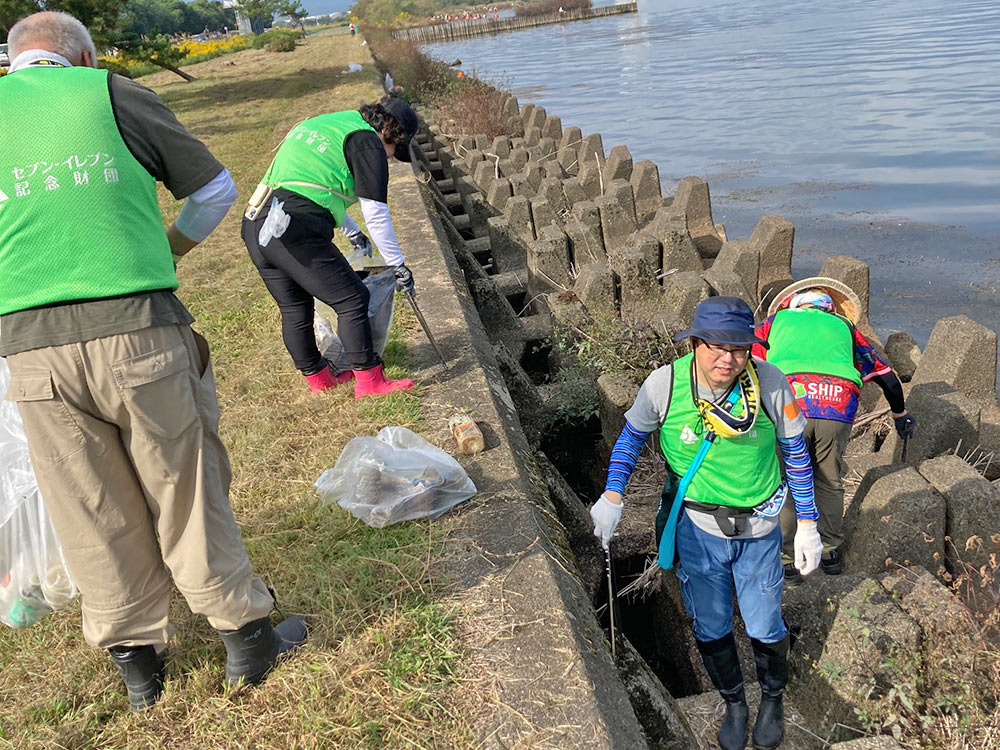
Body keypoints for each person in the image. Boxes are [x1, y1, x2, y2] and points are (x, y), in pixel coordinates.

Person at [0, 12, 306, 711]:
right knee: (184, 483)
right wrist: (168, 249)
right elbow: (214, 191)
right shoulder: (107, 91)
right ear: (81, 55)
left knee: (87, 503)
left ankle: (139, 669)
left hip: (29, 351)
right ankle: (245, 638)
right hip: (137, 328)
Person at [590, 297, 822, 750]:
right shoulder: (664, 384)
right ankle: (735, 702)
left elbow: (796, 452)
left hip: (758, 527)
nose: (726, 358)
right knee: (711, 627)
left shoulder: (770, 382)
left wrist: (809, 522)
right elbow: (631, 439)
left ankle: (772, 698)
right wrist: (613, 494)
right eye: (714, 346)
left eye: (738, 348)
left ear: (751, 349)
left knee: (764, 625)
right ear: (694, 343)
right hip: (698, 529)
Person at [241, 97, 419, 397]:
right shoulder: (366, 141)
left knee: (295, 307)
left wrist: (352, 232)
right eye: (394, 151)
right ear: (391, 130)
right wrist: (398, 264)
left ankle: (320, 379)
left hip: (257, 223)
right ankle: (370, 381)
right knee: (352, 298)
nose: (389, 158)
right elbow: (376, 212)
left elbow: (313, 185)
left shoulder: (326, 124)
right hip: (294, 229)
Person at [753, 278, 917, 585]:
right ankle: (828, 552)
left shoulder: (776, 321)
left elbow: (749, 358)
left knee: (786, 477)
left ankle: (787, 560)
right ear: (829, 308)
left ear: (794, 304)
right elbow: (887, 377)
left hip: (791, 396)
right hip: (837, 401)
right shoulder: (845, 328)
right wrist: (900, 413)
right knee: (828, 478)